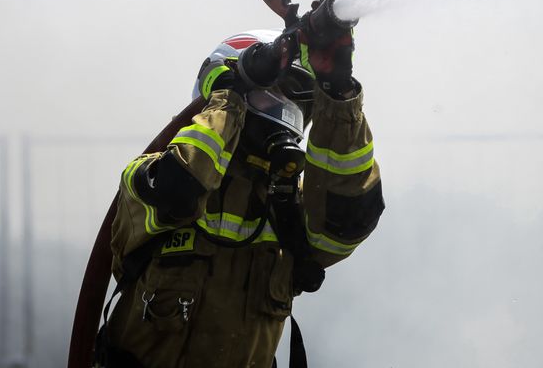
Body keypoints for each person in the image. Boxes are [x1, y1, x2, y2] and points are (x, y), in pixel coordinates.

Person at [100, 19, 384, 367]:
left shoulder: (288, 209)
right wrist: (228, 98)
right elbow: (180, 189)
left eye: (291, 106)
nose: (280, 116)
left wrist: (337, 91)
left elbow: (350, 220)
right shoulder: (149, 176)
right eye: (267, 100)